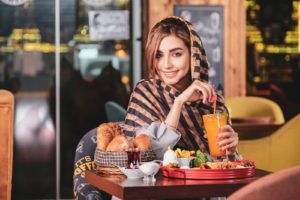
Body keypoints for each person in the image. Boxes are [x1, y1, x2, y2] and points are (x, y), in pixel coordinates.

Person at [124, 16, 239, 160]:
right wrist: (179, 102)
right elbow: (147, 156)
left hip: (207, 181)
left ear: (193, 55)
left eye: (176, 54)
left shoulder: (213, 101)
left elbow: (224, 163)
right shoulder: (146, 92)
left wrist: (232, 151)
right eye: (158, 55)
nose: (166, 64)